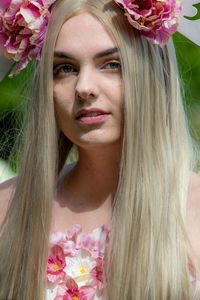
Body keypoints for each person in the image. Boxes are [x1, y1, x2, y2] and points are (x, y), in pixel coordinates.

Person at [0, 0, 200, 299]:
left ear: (153, 74)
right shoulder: (8, 209)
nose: (84, 87)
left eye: (111, 64)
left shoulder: (193, 209)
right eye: (64, 68)